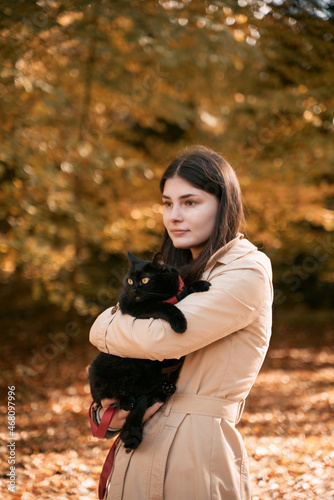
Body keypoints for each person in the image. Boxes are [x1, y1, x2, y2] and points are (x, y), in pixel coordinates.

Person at [89, 145, 273, 500]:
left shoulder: (246, 270)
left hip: (195, 450)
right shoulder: (183, 275)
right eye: (167, 203)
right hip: (144, 440)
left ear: (223, 205)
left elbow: (163, 338)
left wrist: (102, 328)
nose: (174, 215)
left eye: (190, 202)